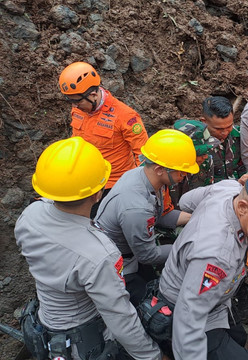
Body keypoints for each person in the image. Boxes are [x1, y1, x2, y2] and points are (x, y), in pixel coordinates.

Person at [15, 137, 165, 360]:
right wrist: (153, 356)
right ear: (98, 193)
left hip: (45, 323)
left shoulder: (29, 216)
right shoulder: (99, 253)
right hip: (83, 340)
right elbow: (120, 317)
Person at [158, 168, 248, 360]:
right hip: (190, 311)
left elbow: (186, 201)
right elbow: (188, 319)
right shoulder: (217, 256)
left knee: (239, 337)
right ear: (243, 208)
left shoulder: (230, 189)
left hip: (214, 301)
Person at [95, 129, 199, 306]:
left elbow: (160, 216)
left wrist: (196, 218)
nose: (184, 176)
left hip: (130, 250)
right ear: (160, 169)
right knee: (156, 308)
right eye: (181, 172)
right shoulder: (136, 207)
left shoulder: (143, 176)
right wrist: (188, 248)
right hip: (116, 266)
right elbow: (148, 255)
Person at [58, 61, 149, 217]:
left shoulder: (126, 117)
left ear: (93, 95)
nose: (74, 106)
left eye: (77, 101)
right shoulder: (79, 107)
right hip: (84, 179)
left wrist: (139, 190)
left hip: (113, 186)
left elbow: (144, 156)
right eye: (71, 101)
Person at [200, 96, 247, 182]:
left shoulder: (240, 136)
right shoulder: (199, 146)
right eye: (218, 129)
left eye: (229, 126)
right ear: (204, 122)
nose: (225, 132)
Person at [170, 119, 216, 205]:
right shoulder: (163, 169)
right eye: (200, 153)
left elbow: (207, 196)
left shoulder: (206, 162)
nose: (205, 156)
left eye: (206, 151)